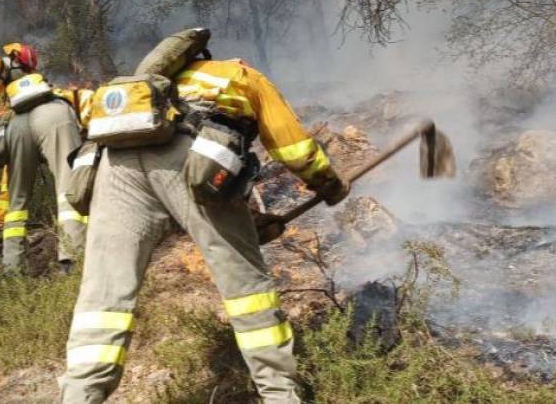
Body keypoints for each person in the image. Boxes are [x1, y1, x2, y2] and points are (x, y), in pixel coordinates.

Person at [58, 34, 349, 403]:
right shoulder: (238, 74)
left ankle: (79, 395)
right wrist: (329, 183)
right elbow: (294, 149)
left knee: (101, 302)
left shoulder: (141, 94)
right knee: (247, 290)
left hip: (114, 171)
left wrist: (248, 219)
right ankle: (281, 395)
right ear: (205, 56)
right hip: (195, 157)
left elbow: (160, 190)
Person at [0, 45, 94, 274]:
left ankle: (12, 269)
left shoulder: (10, 112)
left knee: (16, 203)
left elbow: (5, 184)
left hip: (18, 127)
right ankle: (72, 258)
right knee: (69, 187)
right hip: (54, 118)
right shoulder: (65, 96)